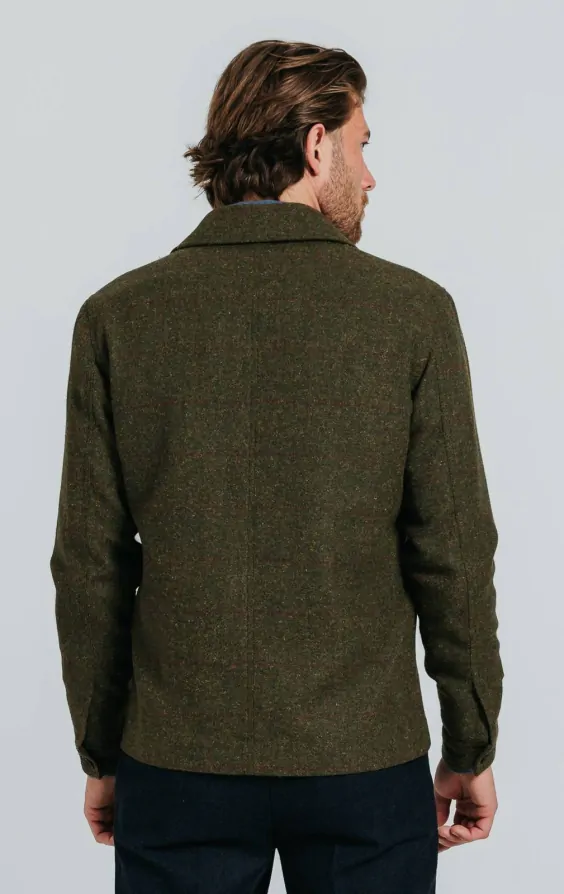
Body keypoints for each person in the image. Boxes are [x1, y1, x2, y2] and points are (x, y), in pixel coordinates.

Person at [50, 38, 503, 893]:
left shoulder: (118, 318)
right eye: (363, 145)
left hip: (176, 764)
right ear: (316, 145)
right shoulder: (411, 313)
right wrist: (470, 742)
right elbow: (453, 552)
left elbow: (89, 565)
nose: (371, 176)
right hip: (364, 762)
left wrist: (102, 752)